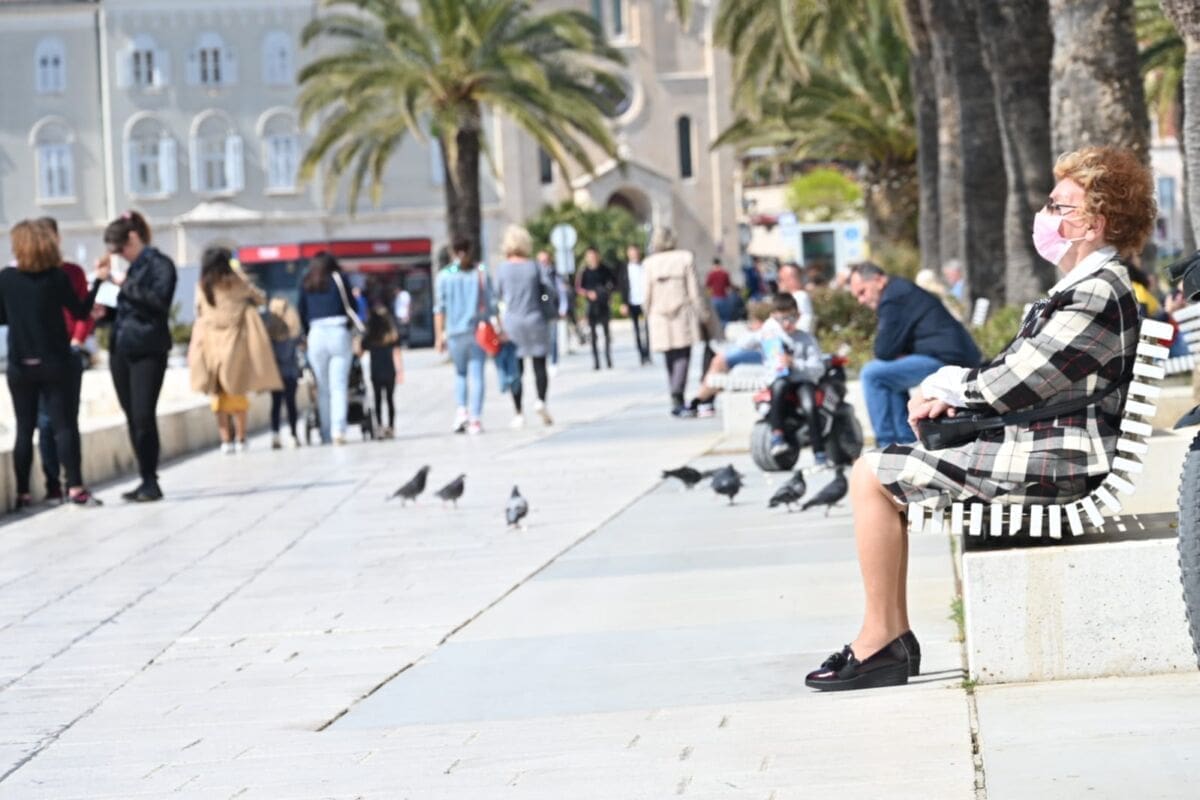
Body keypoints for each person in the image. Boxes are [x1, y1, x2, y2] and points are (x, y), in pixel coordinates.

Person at [805, 146, 1155, 692]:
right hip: (1052, 446)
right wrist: (954, 398)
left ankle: (880, 641)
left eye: (1060, 206)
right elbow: (1023, 375)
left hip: (1058, 462)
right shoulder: (1088, 287)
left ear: (1095, 223)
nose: (1046, 215)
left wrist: (946, 386)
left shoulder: (1094, 292)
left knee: (871, 475)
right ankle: (887, 637)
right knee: (877, 469)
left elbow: (1008, 384)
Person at [1, 220, 105, 509]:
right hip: (55, 361)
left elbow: (2, 318)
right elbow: (81, 311)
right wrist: (98, 282)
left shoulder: (6, 279)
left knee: (24, 429)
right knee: (64, 427)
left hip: (21, 364)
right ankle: (75, 488)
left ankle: (23, 493)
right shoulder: (57, 277)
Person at [848, 261, 981, 448]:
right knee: (888, 378)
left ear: (878, 280)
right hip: (948, 355)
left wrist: (898, 353)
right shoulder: (899, 290)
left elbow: (884, 350)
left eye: (862, 292)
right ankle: (905, 441)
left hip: (947, 359)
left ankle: (886, 445)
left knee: (872, 374)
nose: (861, 300)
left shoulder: (893, 297)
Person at [101, 210, 177, 502]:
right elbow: (117, 311)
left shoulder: (160, 265)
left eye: (121, 249)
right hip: (121, 349)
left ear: (133, 238)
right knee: (132, 416)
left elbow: (159, 303)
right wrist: (102, 301)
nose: (120, 255)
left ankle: (151, 479)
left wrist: (124, 285)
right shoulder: (129, 270)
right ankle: (145, 478)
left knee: (144, 415)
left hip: (148, 349)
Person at [189, 248, 283, 453]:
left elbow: (198, 310)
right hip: (235, 341)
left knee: (219, 393)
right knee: (237, 389)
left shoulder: (203, 285)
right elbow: (259, 298)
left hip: (211, 342)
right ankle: (241, 437)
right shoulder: (235, 282)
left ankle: (225, 440)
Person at [33, 217, 95, 502]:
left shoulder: (71, 273)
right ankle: (53, 483)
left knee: (67, 420)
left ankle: (73, 481)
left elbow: (83, 310)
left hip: (67, 352)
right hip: (41, 355)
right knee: (44, 422)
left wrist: (77, 341)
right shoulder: (27, 276)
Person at [748, 294, 825, 459]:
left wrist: (794, 363)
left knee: (809, 404)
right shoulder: (770, 337)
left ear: (798, 316)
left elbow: (818, 368)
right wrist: (761, 331)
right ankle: (777, 436)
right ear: (775, 318)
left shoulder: (806, 339)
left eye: (792, 318)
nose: (787, 323)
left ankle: (819, 451)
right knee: (778, 386)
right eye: (782, 319)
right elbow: (743, 344)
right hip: (781, 382)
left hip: (802, 381)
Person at [643, 227, 709, 416]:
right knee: (683, 354)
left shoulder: (649, 264)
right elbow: (695, 290)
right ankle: (677, 393)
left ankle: (675, 392)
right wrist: (703, 313)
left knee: (669, 355)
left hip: (659, 314)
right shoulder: (685, 258)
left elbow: (646, 294)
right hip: (682, 311)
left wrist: (647, 313)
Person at [494, 225, 555, 428]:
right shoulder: (535, 266)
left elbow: (498, 295)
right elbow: (548, 291)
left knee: (516, 369)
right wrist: (543, 301)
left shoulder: (502, 269)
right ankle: (541, 401)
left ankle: (519, 412)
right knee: (540, 365)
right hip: (535, 319)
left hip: (513, 323)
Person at [434, 236, 496, 435]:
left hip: (454, 332)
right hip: (476, 330)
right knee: (476, 374)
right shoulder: (480, 272)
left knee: (460, 373)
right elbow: (491, 303)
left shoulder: (445, 275)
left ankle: (461, 411)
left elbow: (439, 308)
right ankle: (475, 419)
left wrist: (438, 336)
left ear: (452, 251)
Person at [298, 252, 359, 445]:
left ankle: (325, 431)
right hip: (338, 330)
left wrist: (307, 334)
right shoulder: (339, 279)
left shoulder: (307, 281)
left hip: (316, 333)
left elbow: (301, 310)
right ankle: (338, 430)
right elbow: (353, 305)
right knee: (339, 386)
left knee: (323, 388)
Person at [263, 296, 303, 448]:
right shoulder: (293, 329)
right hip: (290, 372)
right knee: (291, 404)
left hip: (276, 373)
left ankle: (275, 434)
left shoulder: (269, 330)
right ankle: (293, 434)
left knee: (276, 404)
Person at [363, 303, 402, 438]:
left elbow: (361, 349)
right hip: (389, 370)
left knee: (378, 399)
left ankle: (379, 426)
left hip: (376, 371)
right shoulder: (390, 335)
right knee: (390, 399)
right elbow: (397, 349)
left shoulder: (370, 337)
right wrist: (400, 370)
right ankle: (391, 427)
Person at [577, 246, 616, 370]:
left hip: (603, 304)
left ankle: (608, 359)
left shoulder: (605, 269)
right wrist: (588, 293)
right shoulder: (584, 271)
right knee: (593, 335)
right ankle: (596, 362)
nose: (592, 258)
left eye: (594, 256)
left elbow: (613, 283)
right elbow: (579, 288)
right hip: (591, 306)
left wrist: (607, 293)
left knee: (606, 333)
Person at [620, 244, 651, 365]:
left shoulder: (645, 266)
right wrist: (624, 303)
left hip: (645, 301)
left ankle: (648, 353)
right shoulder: (624, 268)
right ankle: (641, 354)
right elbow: (622, 287)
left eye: (635, 252)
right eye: (631, 252)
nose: (634, 254)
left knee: (648, 329)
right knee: (637, 330)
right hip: (632, 301)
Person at [705, 257, 735, 328]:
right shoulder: (725, 273)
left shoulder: (711, 274)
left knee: (716, 319)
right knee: (725, 318)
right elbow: (729, 285)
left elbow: (707, 286)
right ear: (720, 264)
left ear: (713, 265)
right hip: (724, 297)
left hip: (715, 298)